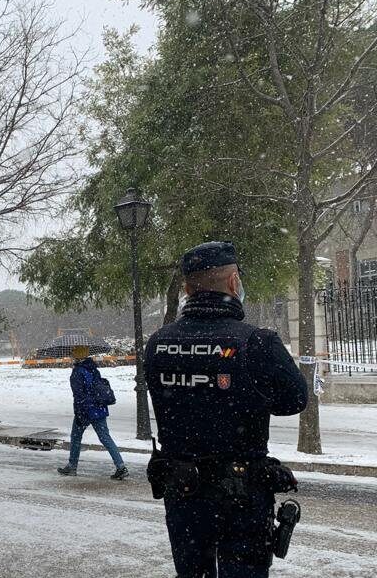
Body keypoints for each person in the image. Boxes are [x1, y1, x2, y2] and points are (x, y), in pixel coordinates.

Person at [144, 241, 308, 578]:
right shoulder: (257, 342)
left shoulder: (158, 343)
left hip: (183, 495)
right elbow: (294, 400)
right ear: (234, 283)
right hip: (241, 498)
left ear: (188, 289)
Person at [57, 345, 129, 480]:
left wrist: (80, 413)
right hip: (99, 408)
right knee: (105, 438)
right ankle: (121, 466)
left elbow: (79, 395)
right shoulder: (93, 368)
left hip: (85, 410)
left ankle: (72, 466)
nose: (71, 355)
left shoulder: (78, 372)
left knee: (76, 438)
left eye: (73, 353)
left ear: (77, 355)